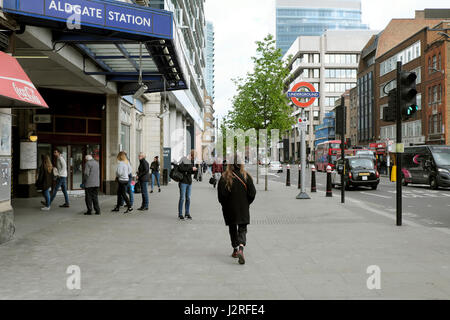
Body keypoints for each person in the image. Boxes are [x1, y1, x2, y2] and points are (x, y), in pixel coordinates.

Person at [218, 156, 256, 265]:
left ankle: (235, 250)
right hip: (243, 207)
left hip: (229, 208)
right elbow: (252, 193)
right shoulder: (246, 176)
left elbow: (221, 196)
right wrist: (247, 202)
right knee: (242, 228)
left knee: (232, 228)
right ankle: (241, 248)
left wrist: (225, 205)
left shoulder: (224, 177)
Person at [177, 150, 198, 220]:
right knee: (182, 198)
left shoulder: (191, 162)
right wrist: (191, 168)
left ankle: (187, 213)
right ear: (191, 155)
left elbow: (189, 171)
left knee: (188, 198)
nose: (194, 159)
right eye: (194, 157)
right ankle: (180, 214)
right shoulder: (183, 159)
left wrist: (194, 170)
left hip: (189, 182)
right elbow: (180, 168)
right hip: (183, 181)